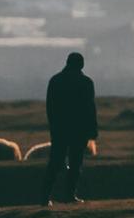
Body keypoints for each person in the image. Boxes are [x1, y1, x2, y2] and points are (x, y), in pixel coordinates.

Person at [41, 52, 97, 206]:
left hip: (60, 130)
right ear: (81, 64)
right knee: (75, 163)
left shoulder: (55, 81)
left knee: (55, 163)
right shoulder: (86, 82)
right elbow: (90, 109)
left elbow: (50, 108)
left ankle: (45, 196)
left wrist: (53, 127)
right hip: (79, 131)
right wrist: (92, 131)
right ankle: (69, 195)